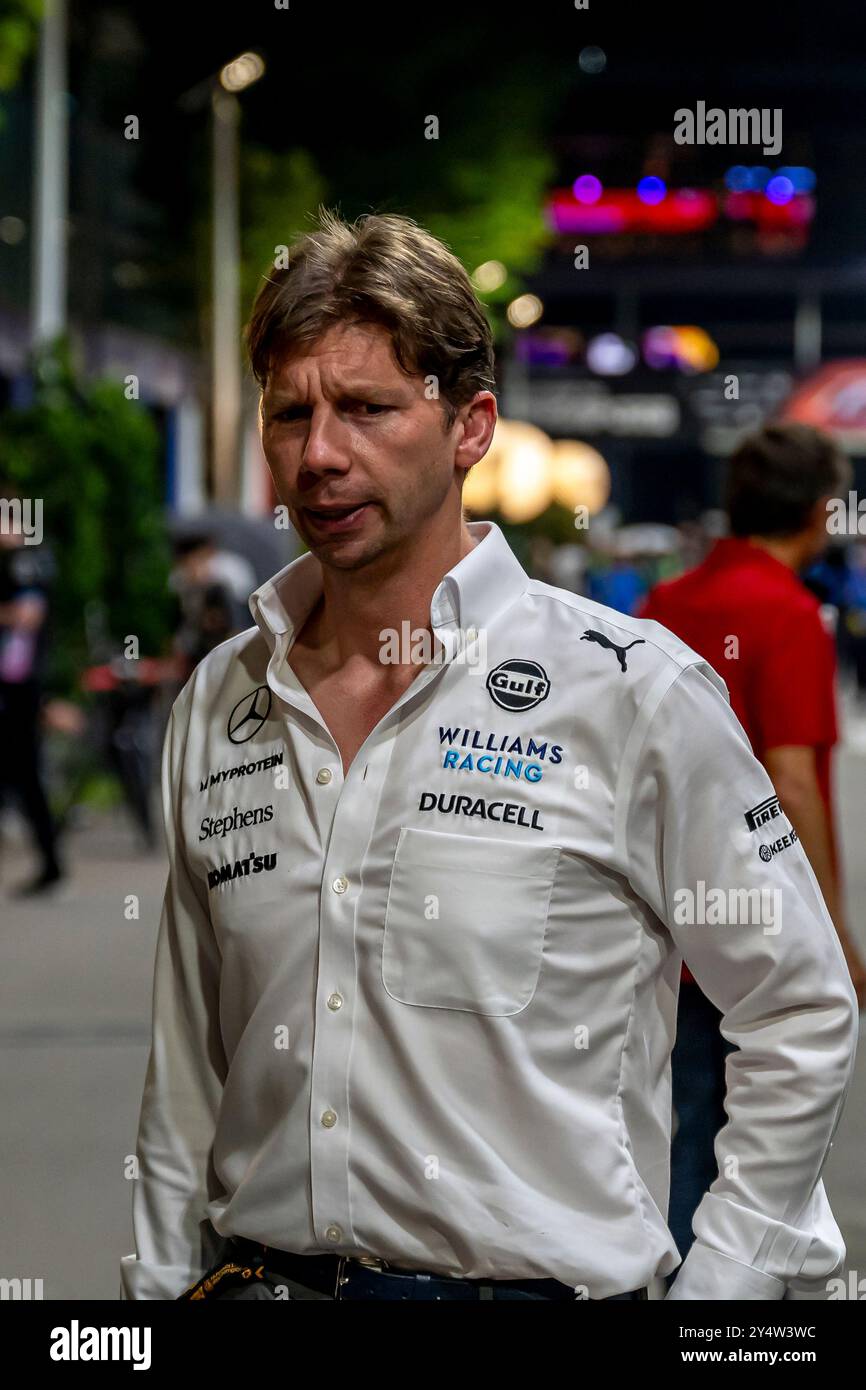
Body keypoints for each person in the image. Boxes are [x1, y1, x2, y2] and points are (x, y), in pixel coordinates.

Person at [120, 211, 857, 1302]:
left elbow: (797, 1006)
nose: (319, 453)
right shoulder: (222, 700)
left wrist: (723, 1295)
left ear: (470, 426)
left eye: (366, 408)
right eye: (291, 414)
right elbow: (185, 1076)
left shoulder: (628, 689)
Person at [641, 422, 866, 1273]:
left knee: (674, 1137)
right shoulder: (791, 613)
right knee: (764, 1154)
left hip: (666, 924)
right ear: (817, 512)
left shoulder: (665, 603)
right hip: (759, 936)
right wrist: (835, 937)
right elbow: (795, 782)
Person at [0, 488, 64, 895]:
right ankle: (51, 863)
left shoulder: (26, 564)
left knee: (25, 774)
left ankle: (52, 864)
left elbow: (27, 619)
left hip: (19, 687)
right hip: (15, 684)